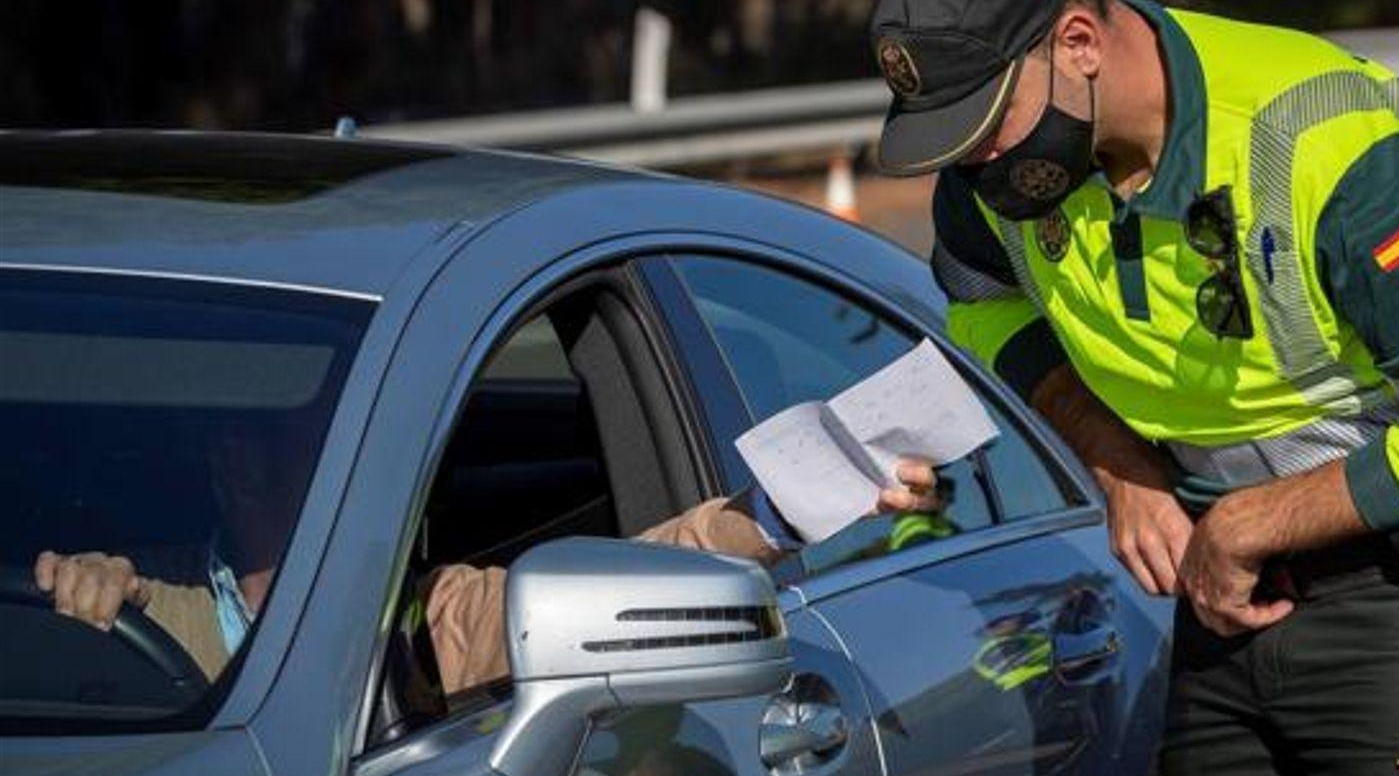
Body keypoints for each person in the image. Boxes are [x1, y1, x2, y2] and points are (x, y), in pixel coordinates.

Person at [869, 0, 1399, 775]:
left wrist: (1248, 523)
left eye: (985, 124)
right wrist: (1118, 462)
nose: (973, 165)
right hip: (1215, 593)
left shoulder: (1329, 138)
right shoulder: (998, 178)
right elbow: (984, 305)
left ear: (1079, 43)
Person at [36, 434, 939, 694]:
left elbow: (651, 567)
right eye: (245, 442)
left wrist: (788, 504)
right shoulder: (134, 594)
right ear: (218, 466)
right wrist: (85, 605)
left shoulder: (421, 618)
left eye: (294, 435)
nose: (251, 461)